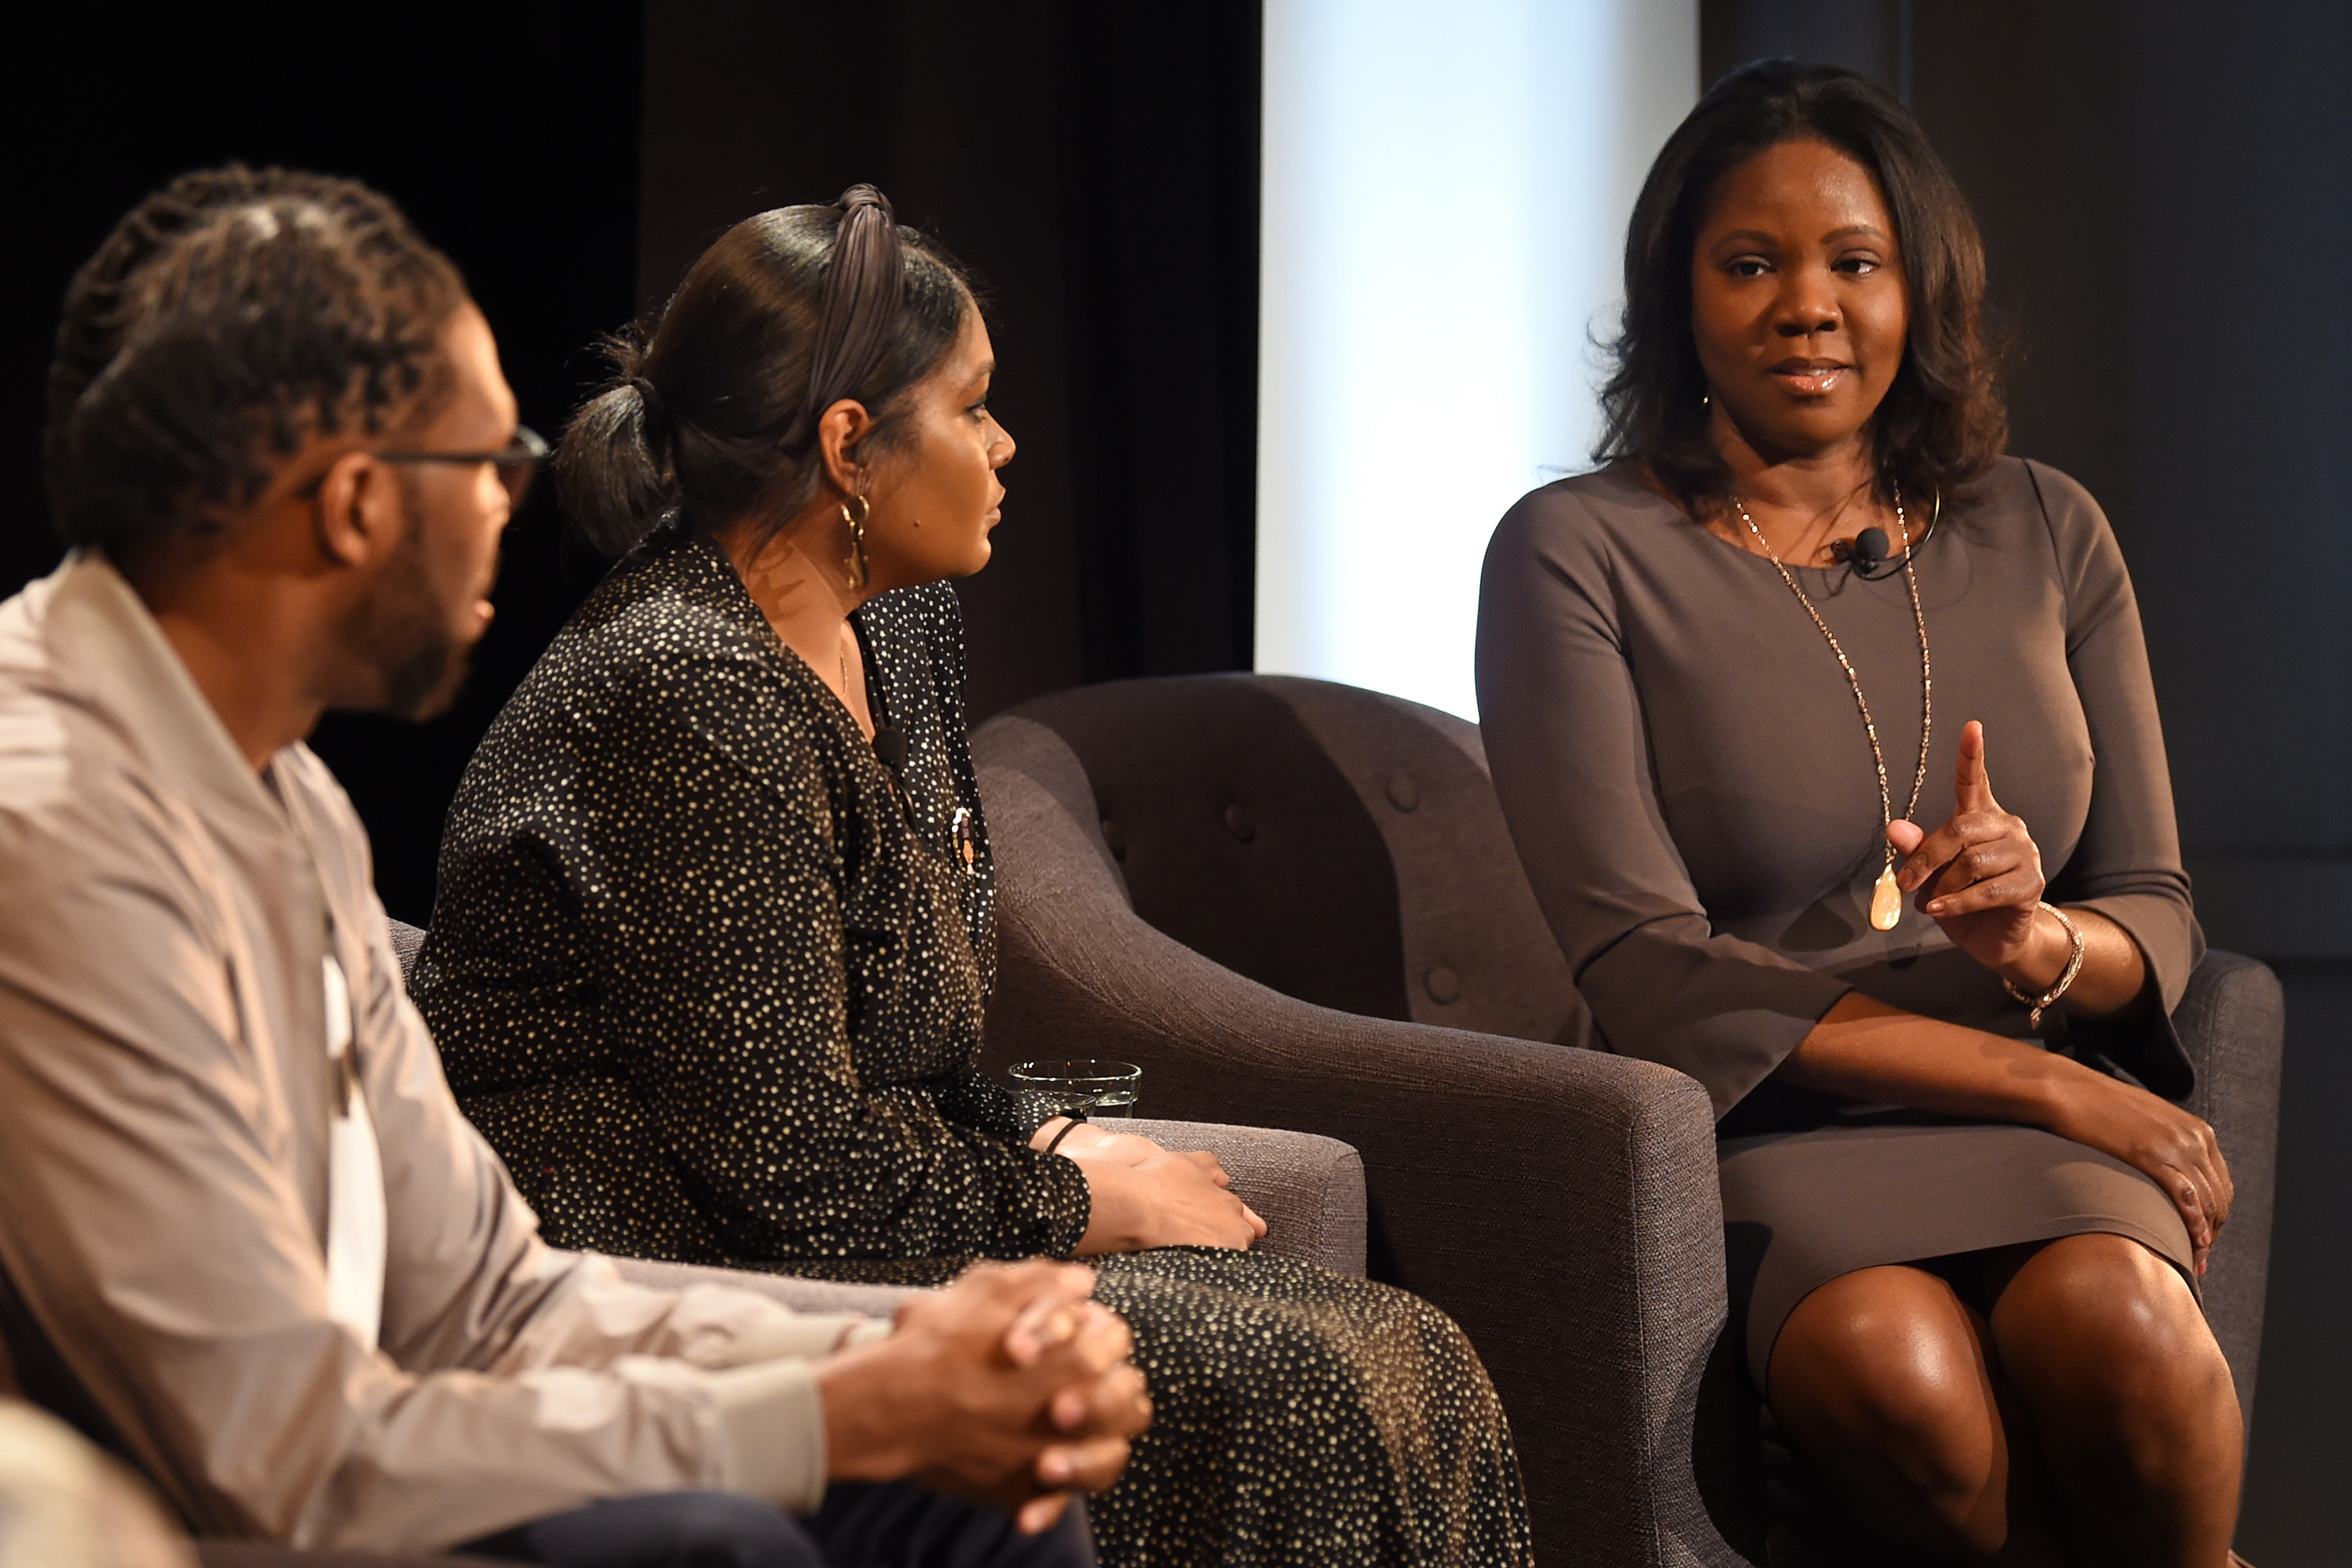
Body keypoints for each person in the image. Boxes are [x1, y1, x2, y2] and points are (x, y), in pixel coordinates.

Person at [0, 164, 1150, 1567]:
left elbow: (492, 1301)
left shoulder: (284, 789)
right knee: (715, 1541)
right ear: (356, 505)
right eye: (490, 460)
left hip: (367, 1436)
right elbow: (283, 1455)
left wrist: (895, 1362)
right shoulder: (52, 832)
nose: (514, 503)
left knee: (978, 1488)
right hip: (200, 1515)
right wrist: (826, 1416)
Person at [411, 187, 1534, 1568]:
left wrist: (1038, 1136)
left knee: (1409, 1354)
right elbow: (785, 1163)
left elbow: (902, 1057)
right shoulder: (690, 694)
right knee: (1298, 1381)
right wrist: (1086, 1204)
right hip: (677, 1253)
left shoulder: (904, 627)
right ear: (850, 448)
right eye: (974, 407)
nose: (1006, 446)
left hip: (843, 1211)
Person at [1475, 62, 2242, 1567]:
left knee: (2131, 1338)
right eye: (1749, 264)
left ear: (1919, 289)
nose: (1807, 306)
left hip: (2042, 1100)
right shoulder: (1575, 551)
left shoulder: (2048, 525)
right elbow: (1644, 965)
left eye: (1854, 262)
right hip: (1782, 1124)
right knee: (1902, 1381)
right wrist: (2058, 1090)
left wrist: (2042, 946)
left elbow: (2153, 899)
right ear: (1677, 295)